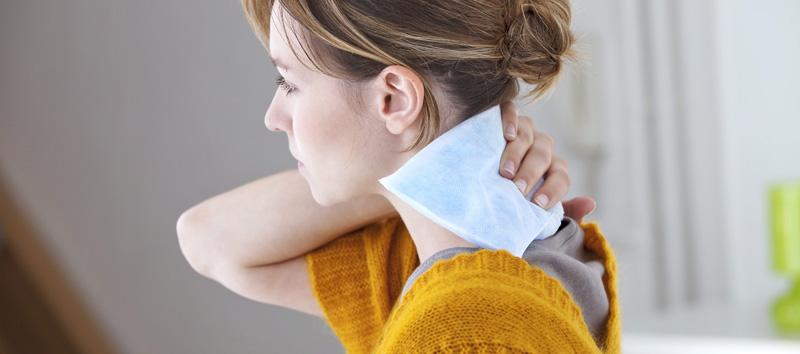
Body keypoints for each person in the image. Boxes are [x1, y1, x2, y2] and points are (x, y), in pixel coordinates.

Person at [235, 0, 621, 352]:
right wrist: (403, 185)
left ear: (395, 99)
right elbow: (206, 239)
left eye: (288, 83)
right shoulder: (551, 249)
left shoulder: (459, 333)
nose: (273, 118)